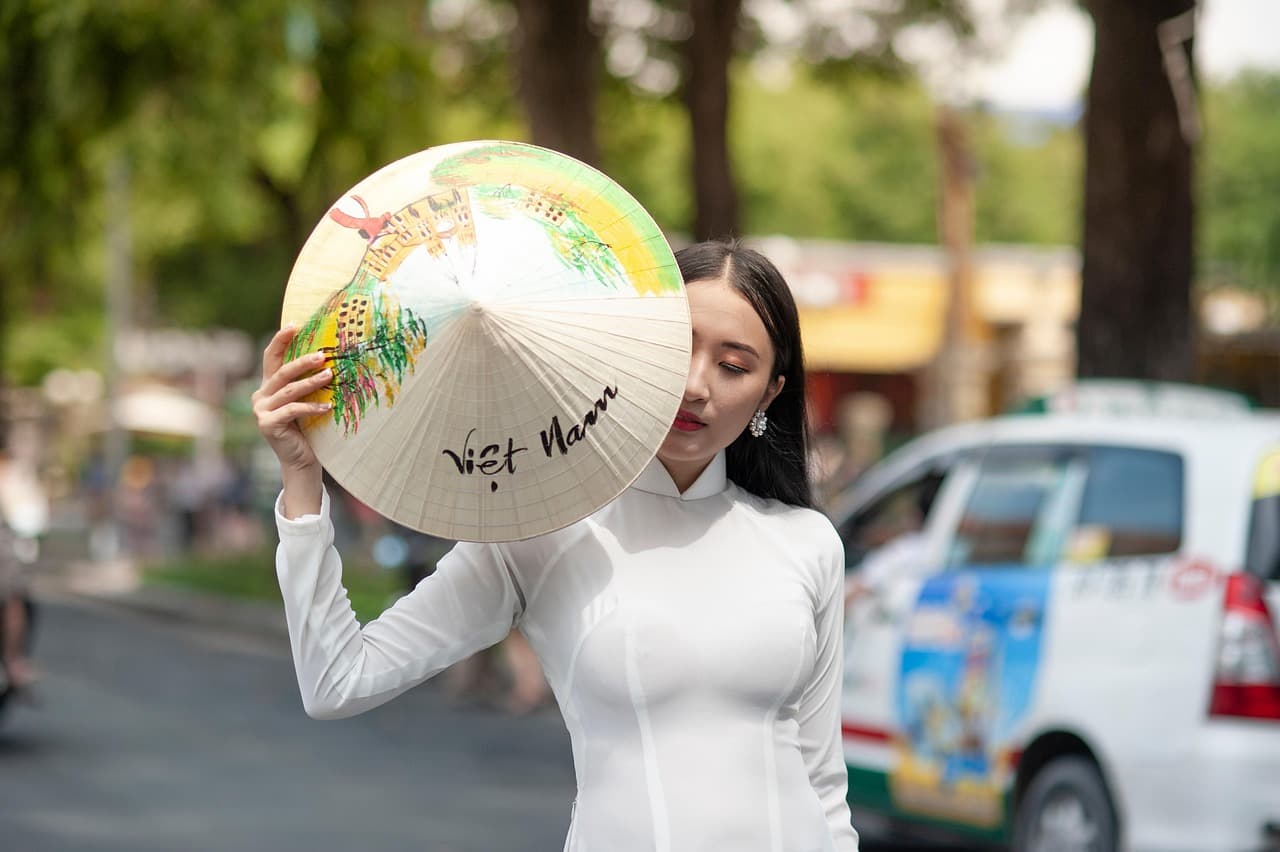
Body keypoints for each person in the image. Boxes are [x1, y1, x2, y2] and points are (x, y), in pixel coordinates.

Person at [253, 240, 859, 851]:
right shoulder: (543, 527)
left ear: (771, 393)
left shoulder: (805, 544)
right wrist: (303, 482)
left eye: (733, 366)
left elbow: (824, 783)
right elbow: (337, 682)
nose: (697, 384)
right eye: (679, 347)